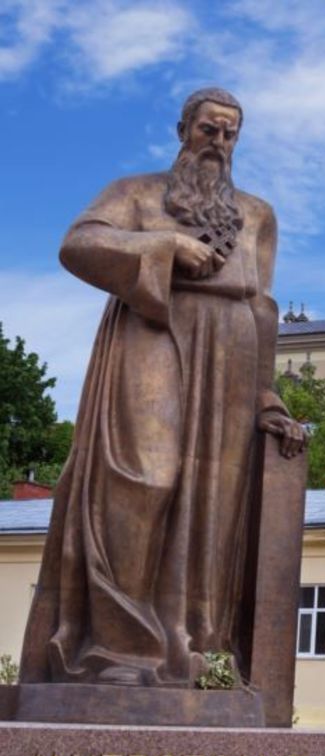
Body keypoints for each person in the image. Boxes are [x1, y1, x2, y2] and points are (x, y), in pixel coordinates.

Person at [20, 88, 306, 688]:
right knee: (145, 478)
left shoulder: (256, 214)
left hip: (231, 350)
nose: (218, 143)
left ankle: (185, 651)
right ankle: (116, 651)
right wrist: (162, 246)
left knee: (211, 502)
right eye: (208, 129)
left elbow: (263, 306)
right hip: (152, 330)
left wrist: (265, 397)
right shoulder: (137, 193)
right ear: (183, 129)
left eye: (230, 134)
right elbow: (77, 245)